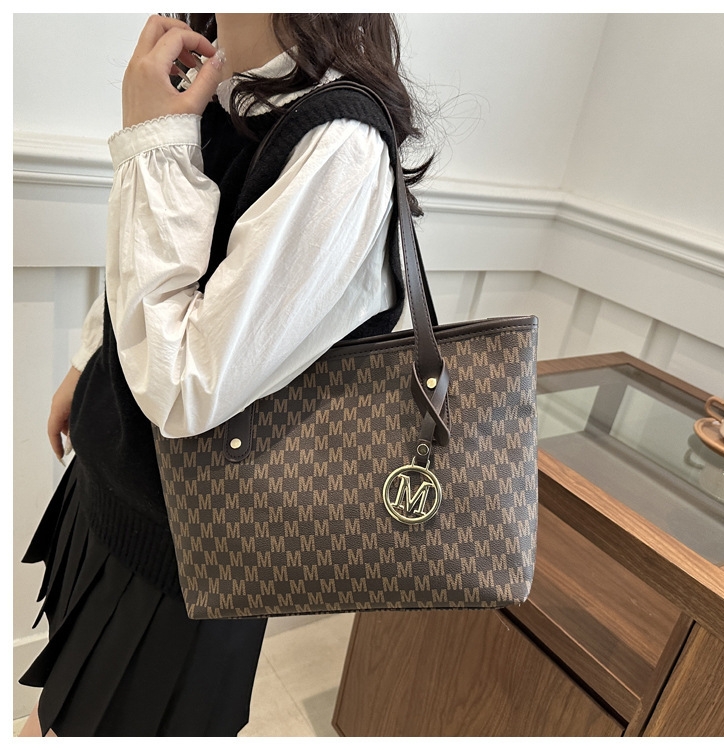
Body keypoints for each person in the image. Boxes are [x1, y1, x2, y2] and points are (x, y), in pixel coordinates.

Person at [18, 12, 431, 737]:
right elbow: (154, 265)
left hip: (188, 563)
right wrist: (88, 363)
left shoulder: (341, 144)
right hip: (112, 495)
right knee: (57, 711)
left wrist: (154, 143)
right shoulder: (220, 78)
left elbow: (186, 387)